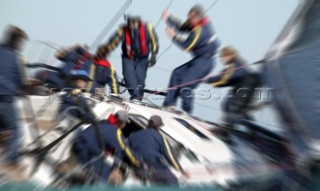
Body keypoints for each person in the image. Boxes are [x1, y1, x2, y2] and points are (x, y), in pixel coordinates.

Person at [162, 4, 220, 113]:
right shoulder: (196, 23)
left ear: (197, 17)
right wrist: (168, 18)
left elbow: (187, 46)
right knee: (176, 74)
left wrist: (173, 36)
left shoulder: (200, 30)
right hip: (199, 59)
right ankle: (169, 105)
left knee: (186, 84)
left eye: (190, 18)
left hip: (206, 61)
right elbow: (183, 27)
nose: (188, 20)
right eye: (188, 17)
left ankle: (186, 111)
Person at [96, 15, 159, 101]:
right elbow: (113, 42)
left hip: (142, 59)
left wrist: (154, 55)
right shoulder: (123, 30)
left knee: (140, 80)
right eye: (130, 22)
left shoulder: (148, 29)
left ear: (138, 22)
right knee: (129, 76)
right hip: (128, 58)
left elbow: (154, 41)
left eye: (133, 23)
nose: (131, 25)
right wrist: (104, 52)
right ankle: (135, 97)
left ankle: (138, 98)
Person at [72, 110, 145, 184]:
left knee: (101, 168)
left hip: (78, 145)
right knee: (105, 177)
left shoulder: (103, 122)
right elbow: (127, 151)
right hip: (88, 151)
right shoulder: (116, 132)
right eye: (125, 123)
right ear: (122, 123)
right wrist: (141, 164)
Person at [0, 25, 32, 171]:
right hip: (6, 97)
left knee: (4, 127)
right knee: (18, 131)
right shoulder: (15, 57)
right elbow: (21, 81)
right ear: (16, 42)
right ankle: (11, 160)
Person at [204, 46, 261, 127]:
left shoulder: (233, 65)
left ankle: (231, 126)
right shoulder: (238, 63)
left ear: (229, 56)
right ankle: (249, 127)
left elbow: (224, 78)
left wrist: (208, 80)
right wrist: (213, 82)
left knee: (230, 106)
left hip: (244, 89)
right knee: (239, 110)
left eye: (222, 57)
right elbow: (228, 80)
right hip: (244, 89)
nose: (221, 59)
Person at [129, 115, 188, 185]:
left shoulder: (133, 135)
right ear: (158, 126)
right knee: (172, 180)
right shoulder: (160, 137)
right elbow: (170, 156)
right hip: (155, 168)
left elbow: (126, 150)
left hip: (137, 169)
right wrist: (181, 170)